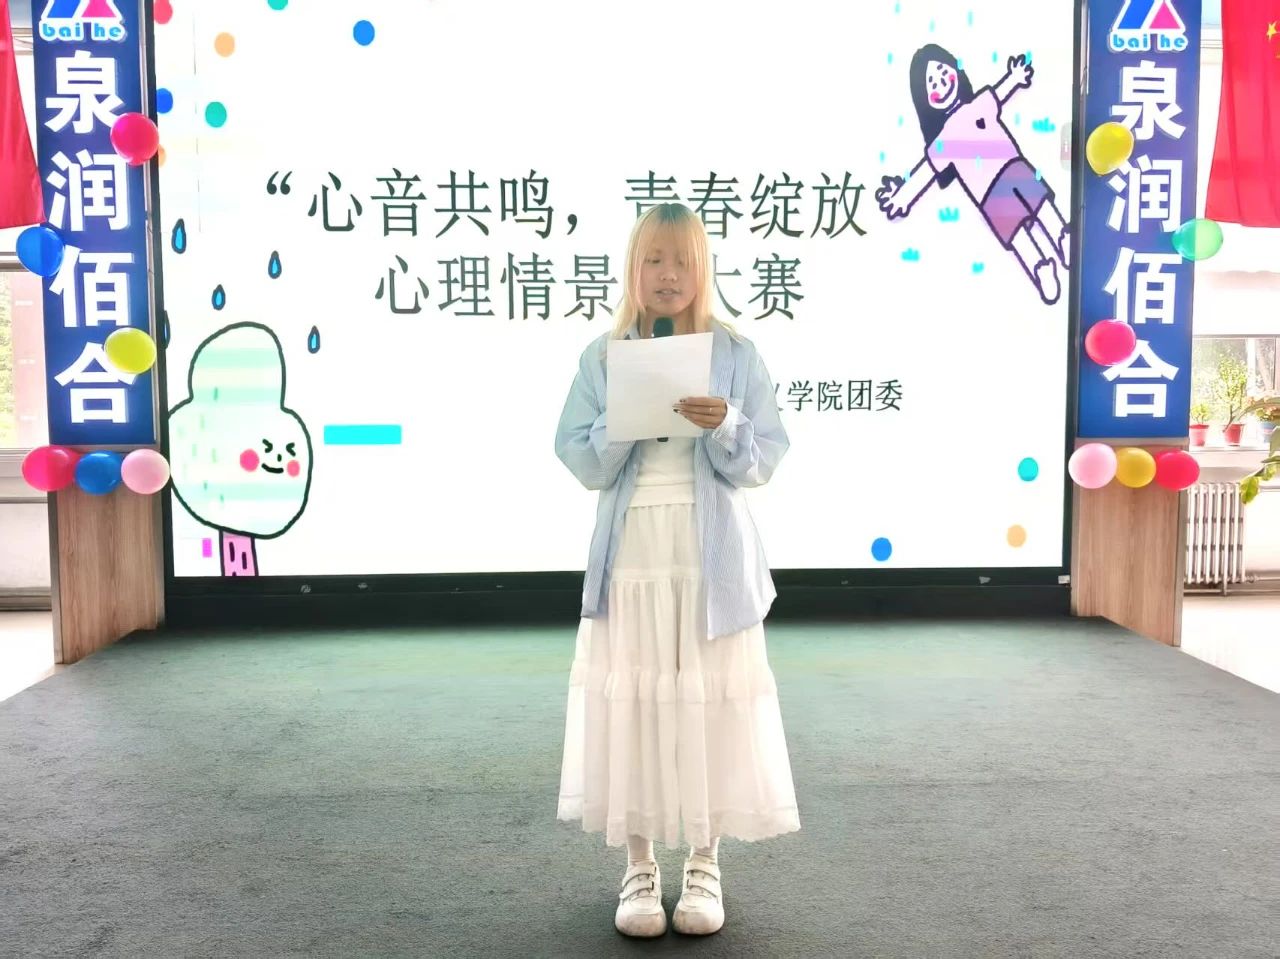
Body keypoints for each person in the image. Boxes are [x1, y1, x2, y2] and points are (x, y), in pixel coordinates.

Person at [554, 202, 801, 938]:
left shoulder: (737, 352)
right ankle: (638, 865)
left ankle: (703, 860)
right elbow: (579, 456)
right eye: (654, 260)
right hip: (633, 552)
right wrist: (622, 420)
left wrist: (726, 423)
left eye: (682, 261)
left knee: (706, 703)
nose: (668, 275)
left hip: (708, 556)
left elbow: (764, 456)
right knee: (634, 703)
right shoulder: (603, 355)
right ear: (634, 268)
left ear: (703, 270)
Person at [875, 44, 1070, 305]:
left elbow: (1001, 91)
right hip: (989, 194)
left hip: (1014, 167)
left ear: (955, 70)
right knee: (1017, 236)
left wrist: (1015, 77)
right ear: (925, 99)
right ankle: (1041, 269)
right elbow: (925, 172)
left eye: (942, 71)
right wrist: (902, 197)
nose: (941, 82)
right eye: (932, 83)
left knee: (1042, 206)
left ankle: (1063, 237)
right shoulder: (943, 140)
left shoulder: (980, 103)